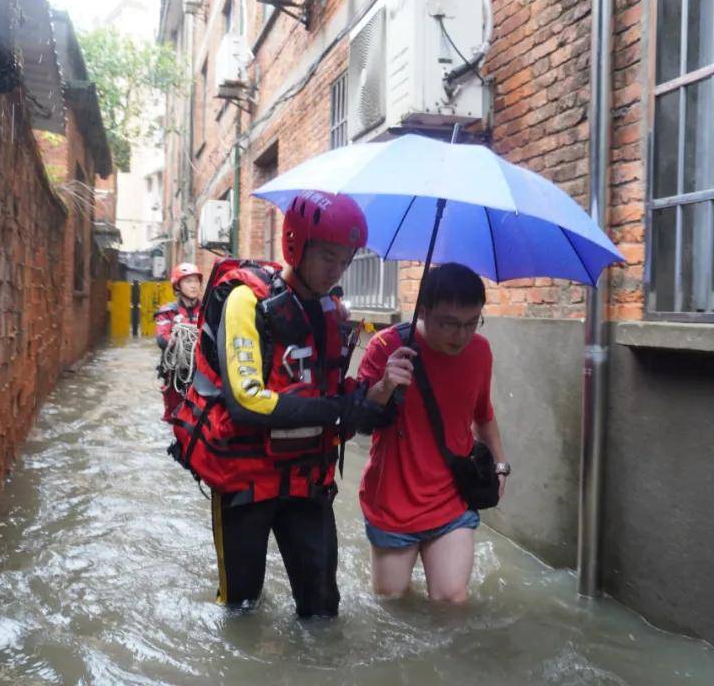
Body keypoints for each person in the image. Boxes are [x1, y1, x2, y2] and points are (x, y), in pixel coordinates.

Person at [170, 190, 395, 618]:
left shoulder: (332, 310)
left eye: (346, 260)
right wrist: (337, 410)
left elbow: (337, 399)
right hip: (245, 482)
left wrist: (378, 393)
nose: (337, 270)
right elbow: (246, 402)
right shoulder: (245, 300)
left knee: (323, 607)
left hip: (306, 481)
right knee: (241, 606)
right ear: (296, 243)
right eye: (329, 257)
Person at [356, 262, 510, 603]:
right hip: (393, 501)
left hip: (451, 497)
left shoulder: (480, 351)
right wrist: (384, 385)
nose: (461, 336)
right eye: (450, 324)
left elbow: (483, 416)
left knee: (452, 599)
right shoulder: (385, 346)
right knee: (391, 601)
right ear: (423, 310)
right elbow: (360, 423)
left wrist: (501, 464)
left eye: (472, 323)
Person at [155, 262, 204, 423]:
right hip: (175, 373)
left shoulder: (207, 310)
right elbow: (162, 339)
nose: (194, 286)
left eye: (196, 281)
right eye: (188, 281)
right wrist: (180, 338)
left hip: (201, 371)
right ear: (178, 286)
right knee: (174, 417)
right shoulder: (167, 312)